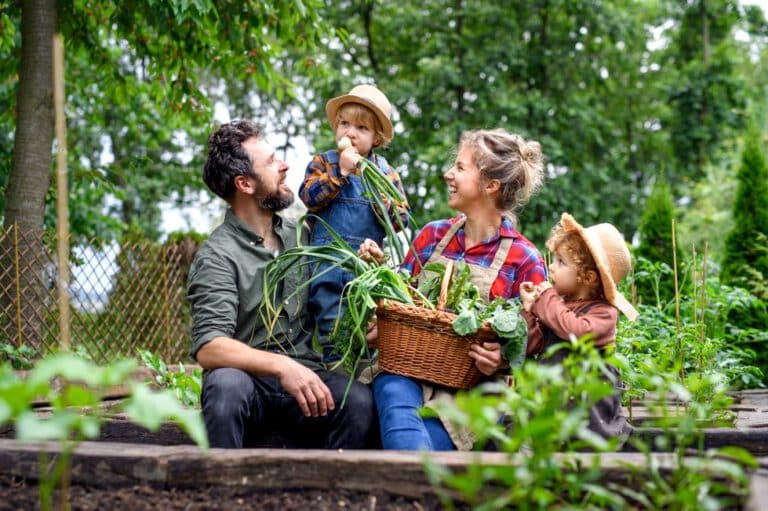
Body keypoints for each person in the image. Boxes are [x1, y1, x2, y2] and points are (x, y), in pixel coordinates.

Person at [187, 120, 375, 449]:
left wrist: (360, 321)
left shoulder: (304, 237)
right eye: (272, 161)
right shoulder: (217, 255)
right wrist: (281, 366)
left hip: (306, 384)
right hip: (252, 386)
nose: (285, 165)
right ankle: (221, 493)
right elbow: (210, 347)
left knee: (357, 400)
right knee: (225, 386)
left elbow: (333, 299)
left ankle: (332, 497)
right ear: (244, 184)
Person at [360, 128, 548, 451]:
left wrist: (504, 357)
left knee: (420, 439)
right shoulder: (432, 236)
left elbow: (536, 343)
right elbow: (399, 301)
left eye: (460, 168)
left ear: (490, 185)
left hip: (472, 391)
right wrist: (380, 287)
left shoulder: (524, 258)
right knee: (392, 388)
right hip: (410, 370)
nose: (448, 174)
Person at [299, 84, 409, 362]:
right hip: (328, 265)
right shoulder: (323, 163)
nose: (350, 132)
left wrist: (386, 205)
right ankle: (336, 367)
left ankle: (364, 370)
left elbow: (401, 220)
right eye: (345, 124)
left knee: (367, 326)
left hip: (367, 267)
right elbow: (309, 197)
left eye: (361, 128)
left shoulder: (386, 173)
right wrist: (342, 171)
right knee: (332, 326)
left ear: (377, 138)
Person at [519, 212, 639, 439]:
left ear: (588, 277)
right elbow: (533, 344)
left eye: (561, 262)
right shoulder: (558, 306)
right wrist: (530, 309)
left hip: (589, 413)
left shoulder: (604, 313)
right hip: (553, 402)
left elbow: (576, 332)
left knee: (587, 445)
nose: (551, 268)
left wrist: (546, 300)